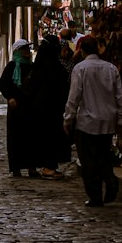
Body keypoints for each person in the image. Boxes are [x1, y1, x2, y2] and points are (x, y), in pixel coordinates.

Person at [63, 35, 122, 206]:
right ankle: (110, 180)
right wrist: (121, 121)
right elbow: (120, 97)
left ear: (82, 51)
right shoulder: (111, 69)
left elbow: (74, 96)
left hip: (87, 123)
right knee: (104, 156)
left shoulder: (80, 68)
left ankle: (95, 196)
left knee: (89, 161)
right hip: (107, 121)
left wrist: (68, 118)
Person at [24, 33, 71, 177]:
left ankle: (39, 166)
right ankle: (48, 167)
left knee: (40, 137)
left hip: (37, 109)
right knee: (50, 138)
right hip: (51, 110)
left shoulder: (37, 67)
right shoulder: (54, 68)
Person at [0, 38, 35, 177]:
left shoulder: (32, 67)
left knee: (31, 138)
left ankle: (32, 167)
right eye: (24, 49)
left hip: (29, 107)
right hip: (16, 108)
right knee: (16, 138)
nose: (27, 51)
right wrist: (10, 97)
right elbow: (4, 84)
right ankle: (16, 168)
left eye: (28, 49)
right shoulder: (12, 66)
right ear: (18, 51)